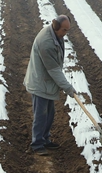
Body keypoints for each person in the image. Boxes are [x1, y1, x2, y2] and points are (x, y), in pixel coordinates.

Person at [24, 16, 76, 156]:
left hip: (47, 82)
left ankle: (45, 139)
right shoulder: (46, 42)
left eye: (67, 30)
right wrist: (68, 88)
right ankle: (37, 143)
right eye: (64, 30)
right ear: (56, 26)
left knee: (50, 113)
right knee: (41, 115)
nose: (65, 33)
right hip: (40, 82)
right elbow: (53, 70)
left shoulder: (55, 35)